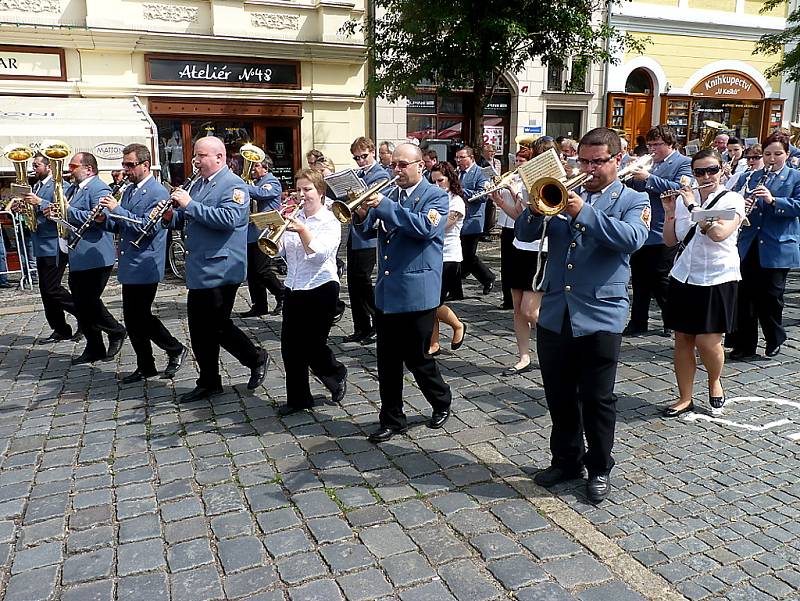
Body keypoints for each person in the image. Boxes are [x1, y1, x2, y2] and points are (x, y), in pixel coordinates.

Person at [531, 127, 649, 504]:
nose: (589, 168)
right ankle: (566, 460)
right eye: (583, 160)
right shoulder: (565, 191)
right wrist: (534, 209)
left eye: (597, 161)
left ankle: (599, 466)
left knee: (598, 399)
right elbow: (526, 230)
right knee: (559, 394)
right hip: (557, 310)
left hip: (600, 313)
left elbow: (631, 239)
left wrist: (584, 211)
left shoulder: (632, 199)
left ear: (617, 160)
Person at [161, 136, 270, 402]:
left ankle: (255, 358)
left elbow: (230, 219)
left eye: (201, 156)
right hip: (200, 266)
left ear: (219, 158)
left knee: (218, 326)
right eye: (195, 156)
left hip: (222, 267)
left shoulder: (235, 185)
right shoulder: (199, 183)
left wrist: (189, 204)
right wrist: (169, 216)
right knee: (199, 330)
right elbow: (188, 218)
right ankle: (209, 381)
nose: (195, 161)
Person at [356, 143, 452, 442]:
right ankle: (392, 418)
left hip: (416, 290)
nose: (395, 170)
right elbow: (367, 231)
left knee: (417, 357)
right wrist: (360, 212)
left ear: (420, 166)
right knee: (386, 359)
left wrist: (383, 205)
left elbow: (425, 228)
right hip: (388, 290)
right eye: (393, 165)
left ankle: (441, 400)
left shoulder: (435, 196)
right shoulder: (392, 195)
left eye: (402, 165)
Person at [661, 149, 745, 417]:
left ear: (722, 170)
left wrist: (691, 208)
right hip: (684, 274)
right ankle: (685, 396)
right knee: (683, 339)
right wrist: (670, 212)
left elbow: (719, 233)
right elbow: (671, 240)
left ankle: (714, 380)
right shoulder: (689, 198)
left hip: (717, 276)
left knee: (708, 342)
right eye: (699, 172)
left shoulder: (732, 199)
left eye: (711, 170)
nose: (706, 176)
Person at [98, 144, 188, 383]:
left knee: (140, 316)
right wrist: (103, 220)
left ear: (145, 165)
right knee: (133, 317)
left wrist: (116, 209)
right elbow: (120, 224)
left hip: (146, 260)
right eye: (124, 165)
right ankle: (146, 364)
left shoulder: (157, 192)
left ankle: (174, 348)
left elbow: (145, 227)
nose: (125, 169)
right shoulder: (129, 190)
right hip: (130, 260)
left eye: (130, 165)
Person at [276, 169, 347, 416]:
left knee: (312, 345)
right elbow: (278, 252)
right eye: (299, 189)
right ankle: (299, 399)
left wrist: (303, 231)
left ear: (320, 192)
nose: (302, 194)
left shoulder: (330, 220)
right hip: (294, 286)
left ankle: (336, 373)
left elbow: (317, 256)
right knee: (290, 347)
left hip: (322, 287)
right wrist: (275, 229)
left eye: (307, 189)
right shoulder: (294, 217)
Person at [729, 132, 800, 359]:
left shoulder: (795, 177)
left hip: (777, 245)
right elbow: (733, 201)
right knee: (744, 296)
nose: (772, 158)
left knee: (770, 297)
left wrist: (773, 201)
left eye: (778, 154)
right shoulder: (751, 176)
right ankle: (744, 344)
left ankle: (774, 338)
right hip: (749, 244)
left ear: (787, 154)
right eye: (767, 154)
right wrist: (743, 204)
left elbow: (798, 206)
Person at [493, 140, 557, 375]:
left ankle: (560, 340)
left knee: (531, 310)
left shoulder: (560, 181)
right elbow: (521, 218)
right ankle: (523, 356)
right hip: (519, 246)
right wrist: (501, 202)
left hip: (542, 249)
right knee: (518, 308)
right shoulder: (528, 180)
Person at [58, 152, 127, 365]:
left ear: (88, 169)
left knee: (88, 301)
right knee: (81, 303)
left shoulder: (98, 188)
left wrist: (68, 211)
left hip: (95, 254)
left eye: (73, 165)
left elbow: (99, 219)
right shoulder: (72, 189)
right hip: (78, 254)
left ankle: (116, 331)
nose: (70, 169)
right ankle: (94, 346)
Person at [625, 124, 692, 336]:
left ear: (670, 144)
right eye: (650, 144)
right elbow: (634, 191)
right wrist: (629, 175)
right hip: (642, 226)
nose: (652, 149)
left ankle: (671, 319)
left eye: (657, 144)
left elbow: (679, 189)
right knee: (639, 279)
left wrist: (648, 178)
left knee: (661, 278)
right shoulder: (649, 163)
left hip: (664, 228)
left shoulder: (683, 163)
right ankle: (638, 321)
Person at [21, 153, 79, 343]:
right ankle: (60, 328)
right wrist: (24, 209)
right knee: (45, 290)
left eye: (37, 165)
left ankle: (86, 315)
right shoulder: (36, 186)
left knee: (52, 288)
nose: (33, 169)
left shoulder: (59, 186)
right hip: (41, 242)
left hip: (54, 242)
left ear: (48, 167)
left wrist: (40, 203)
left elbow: (62, 209)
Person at [342, 136, 392, 345]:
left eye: (363, 156)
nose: (361, 161)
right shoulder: (358, 174)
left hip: (369, 236)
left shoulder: (380, 174)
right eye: (356, 158)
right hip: (355, 233)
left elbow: (374, 202)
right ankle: (361, 327)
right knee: (353, 282)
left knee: (363, 282)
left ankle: (377, 324)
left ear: (372, 152)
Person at [427, 161, 467, 357]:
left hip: (449, 256)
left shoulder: (456, 201)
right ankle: (433, 343)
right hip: (432, 254)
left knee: (433, 302)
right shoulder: (434, 199)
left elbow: (442, 226)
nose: (436, 186)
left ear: (450, 180)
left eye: (440, 181)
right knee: (430, 301)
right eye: (433, 181)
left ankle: (457, 325)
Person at [239, 155, 286, 317]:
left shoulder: (271, 182)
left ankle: (282, 295)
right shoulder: (255, 183)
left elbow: (260, 194)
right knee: (252, 272)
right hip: (251, 232)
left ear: (265, 168)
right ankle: (259, 305)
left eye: (256, 166)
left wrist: (241, 185)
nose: (253, 169)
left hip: (265, 231)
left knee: (262, 269)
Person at [494, 148, 533, 310]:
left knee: (516, 264)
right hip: (507, 223)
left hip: (521, 225)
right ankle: (507, 298)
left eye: (521, 161)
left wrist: (511, 189)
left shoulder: (528, 180)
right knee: (506, 263)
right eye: (516, 160)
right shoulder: (512, 177)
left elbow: (524, 201)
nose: (517, 164)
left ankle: (520, 298)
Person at [456, 146, 494, 294]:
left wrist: (460, 190)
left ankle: (487, 277)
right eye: (457, 158)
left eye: (461, 157)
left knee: (468, 255)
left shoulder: (480, 172)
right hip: (459, 218)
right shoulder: (458, 172)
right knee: (463, 254)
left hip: (473, 220)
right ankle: (456, 284)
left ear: (471, 158)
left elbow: (483, 196)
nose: (458, 160)